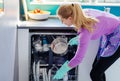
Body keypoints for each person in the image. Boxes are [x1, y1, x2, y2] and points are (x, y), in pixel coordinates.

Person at [53, 3, 120, 81]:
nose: (62, 23)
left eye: (62, 20)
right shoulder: (81, 13)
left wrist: (63, 70)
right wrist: (79, 38)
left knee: (95, 73)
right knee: (97, 70)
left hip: (117, 38)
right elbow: (96, 28)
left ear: (70, 18)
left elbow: (78, 59)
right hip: (111, 32)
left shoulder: (85, 31)